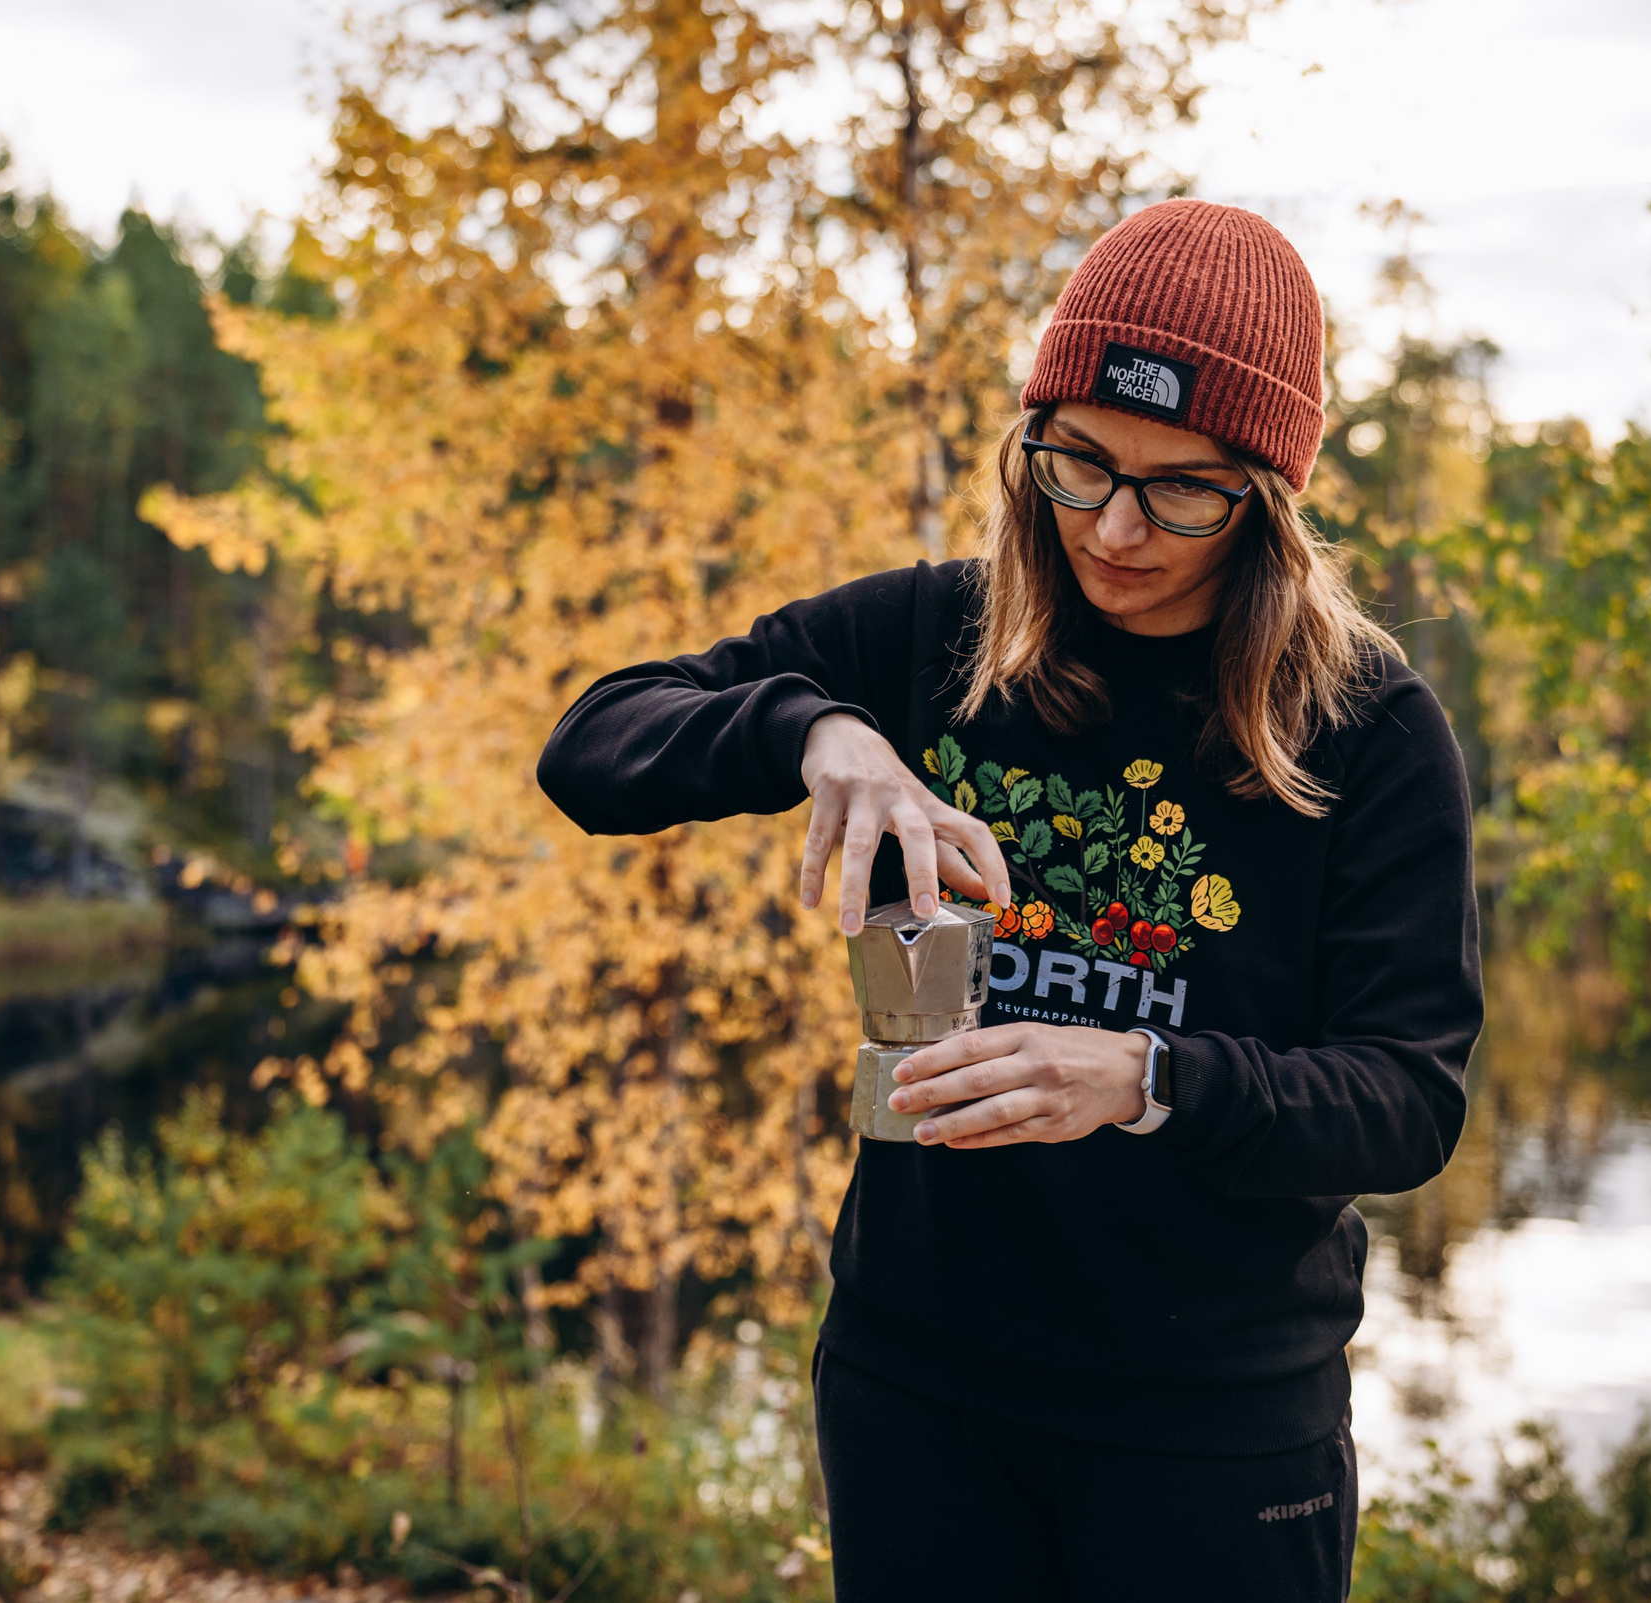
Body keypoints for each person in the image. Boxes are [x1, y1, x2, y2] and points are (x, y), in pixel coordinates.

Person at [536, 199, 1482, 1602]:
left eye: (1183, 488)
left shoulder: (1365, 727)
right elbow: (594, 744)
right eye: (1078, 464)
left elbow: (1409, 1099)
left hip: (1213, 1426)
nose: (1116, 525)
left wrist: (1146, 1075)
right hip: (919, 1387)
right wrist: (815, 732)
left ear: (1268, 500)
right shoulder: (933, 636)